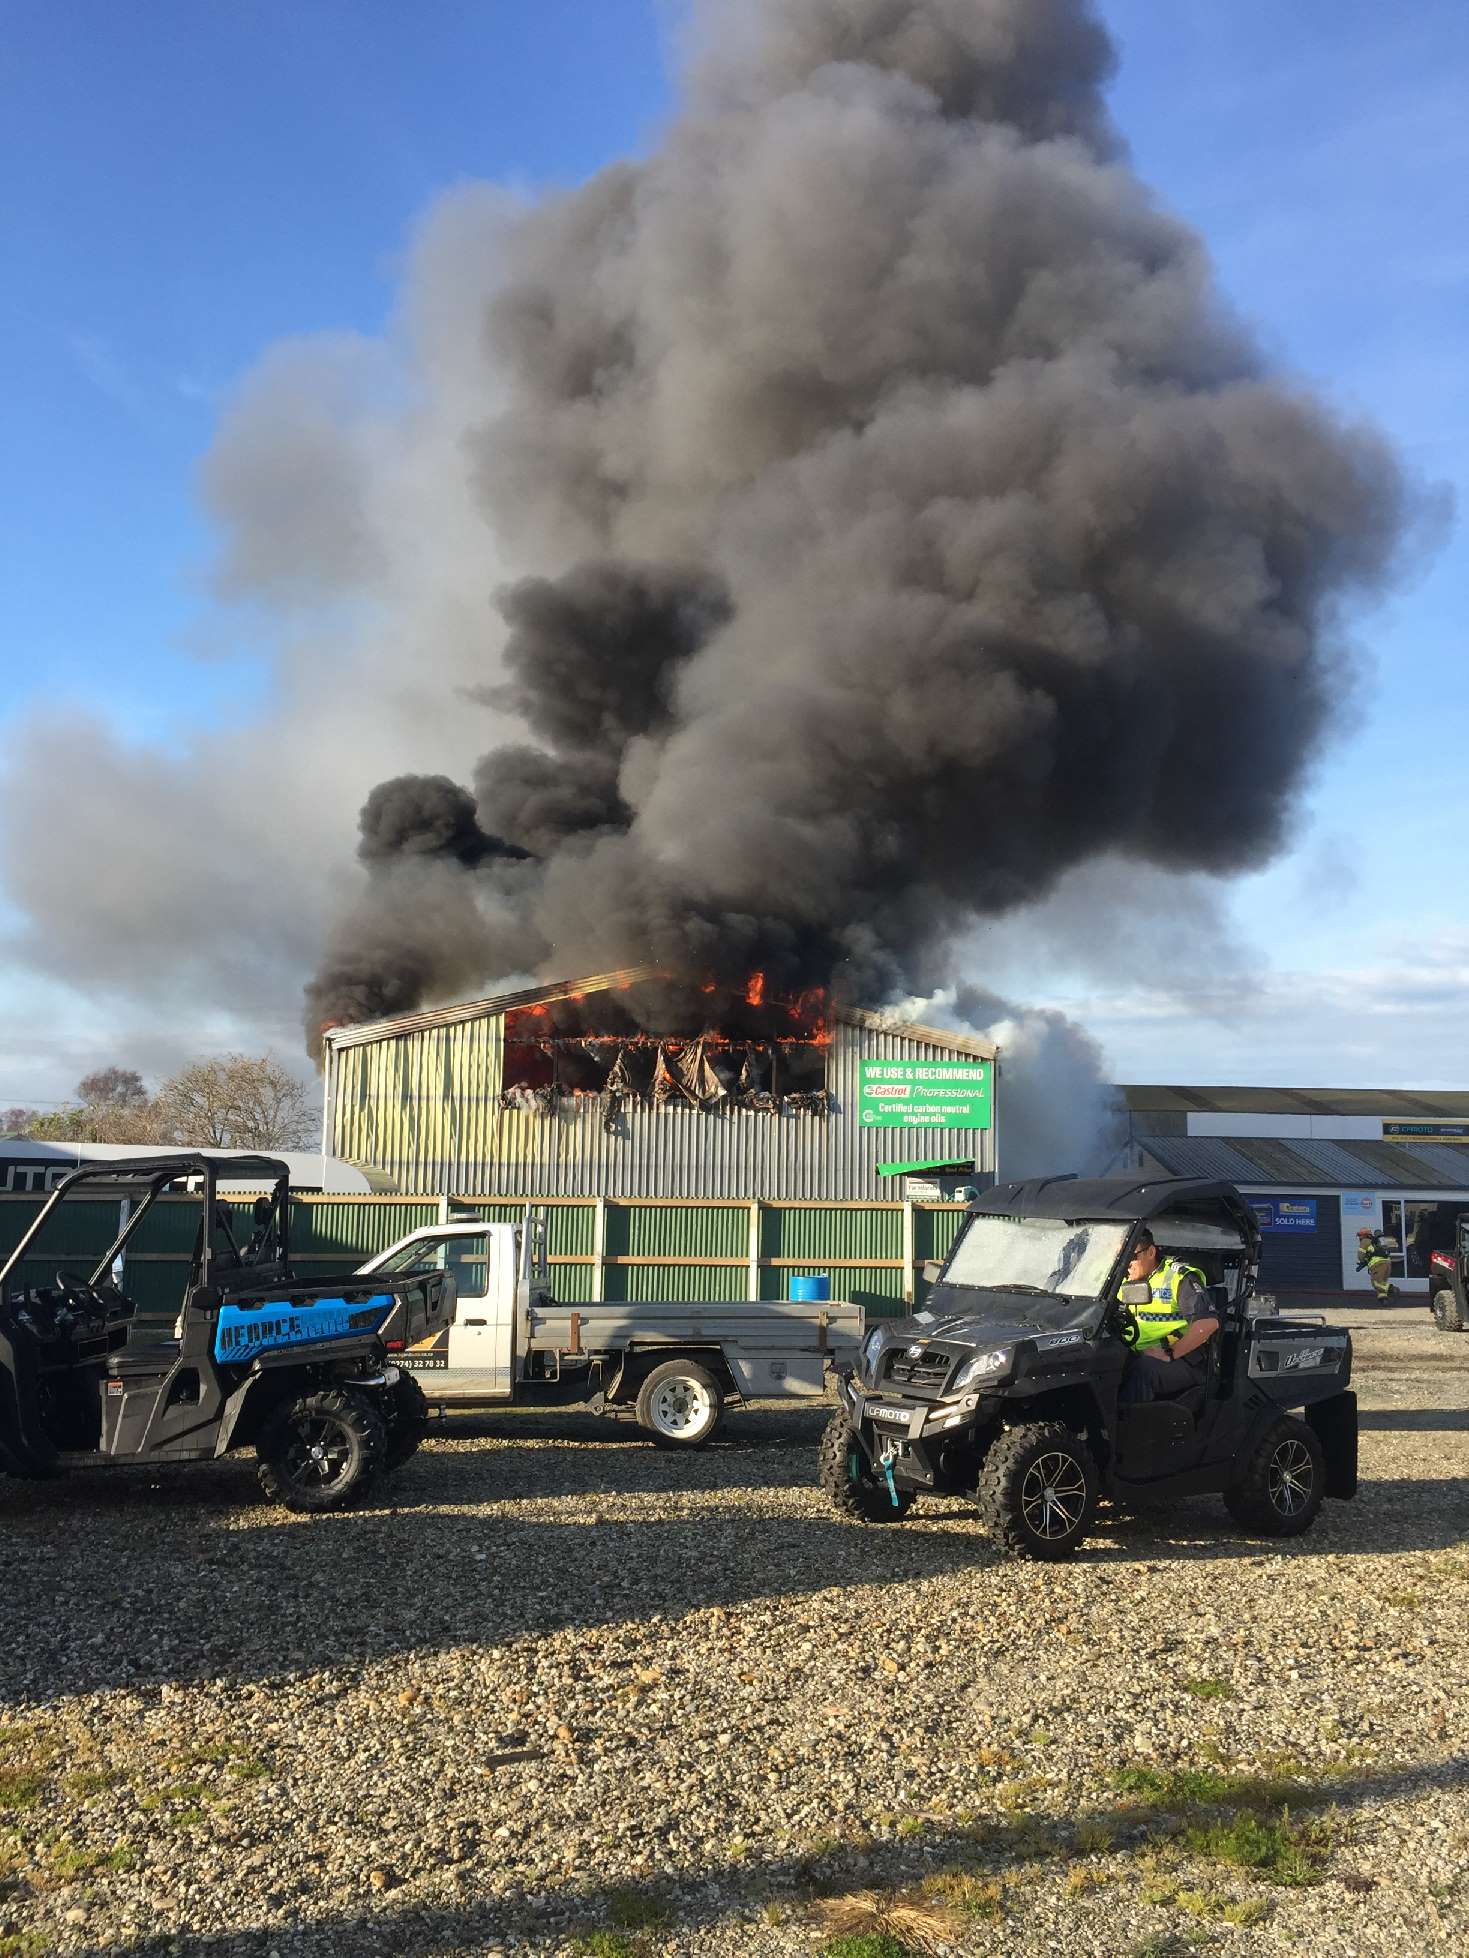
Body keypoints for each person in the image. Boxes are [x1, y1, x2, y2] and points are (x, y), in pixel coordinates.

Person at [1118, 1229, 1220, 1405]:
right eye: (1121, 1257)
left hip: (1182, 1359)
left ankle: (1132, 1429)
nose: (1126, 1263)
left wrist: (1169, 1354)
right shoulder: (1118, 1278)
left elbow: (1208, 1323)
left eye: (1132, 1256)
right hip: (1133, 1353)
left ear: (1150, 1252)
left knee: (1143, 1370)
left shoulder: (1178, 1278)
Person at [1355, 1226, 1396, 1302]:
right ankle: (1383, 1299)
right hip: (1387, 1263)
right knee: (1382, 1282)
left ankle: (1392, 1289)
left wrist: (1363, 1261)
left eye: (1360, 1235)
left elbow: (1360, 1256)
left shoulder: (1364, 1241)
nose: (1359, 1238)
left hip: (1378, 1264)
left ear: (1364, 1235)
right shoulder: (1377, 1241)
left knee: (1376, 1283)